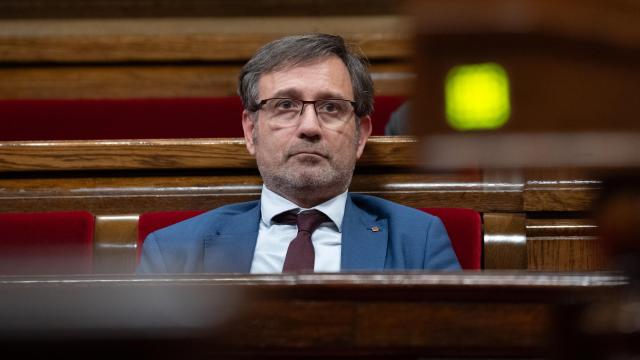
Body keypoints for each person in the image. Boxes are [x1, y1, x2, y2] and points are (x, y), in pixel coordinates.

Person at [137, 34, 460, 273]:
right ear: (251, 131)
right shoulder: (172, 252)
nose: (309, 126)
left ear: (361, 136)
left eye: (331, 107)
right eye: (285, 105)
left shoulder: (419, 241)